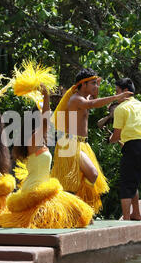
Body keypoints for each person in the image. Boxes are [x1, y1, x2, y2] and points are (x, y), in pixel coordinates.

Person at [0, 85, 93, 228]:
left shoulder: (39, 141)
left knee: (83, 214)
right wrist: (46, 96)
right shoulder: (35, 138)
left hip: (45, 190)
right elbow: (46, 120)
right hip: (36, 192)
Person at [51, 68, 133, 213]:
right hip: (70, 143)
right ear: (83, 85)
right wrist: (116, 97)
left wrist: (96, 92)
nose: (97, 86)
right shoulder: (76, 99)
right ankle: (79, 209)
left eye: (97, 83)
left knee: (83, 179)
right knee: (92, 174)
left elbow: (92, 100)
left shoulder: (84, 97)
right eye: (94, 83)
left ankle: (79, 210)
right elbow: (91, 104)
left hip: (82, 143)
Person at [109, 78, 141, 221]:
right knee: (133, 181)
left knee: (126, 184)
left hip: (132, 147)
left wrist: (110, 140)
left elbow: (116, 136)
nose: (116, 96)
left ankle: (126, 219)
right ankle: (136, 213)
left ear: (125, 92)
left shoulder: (121, 108)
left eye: (117, 92)